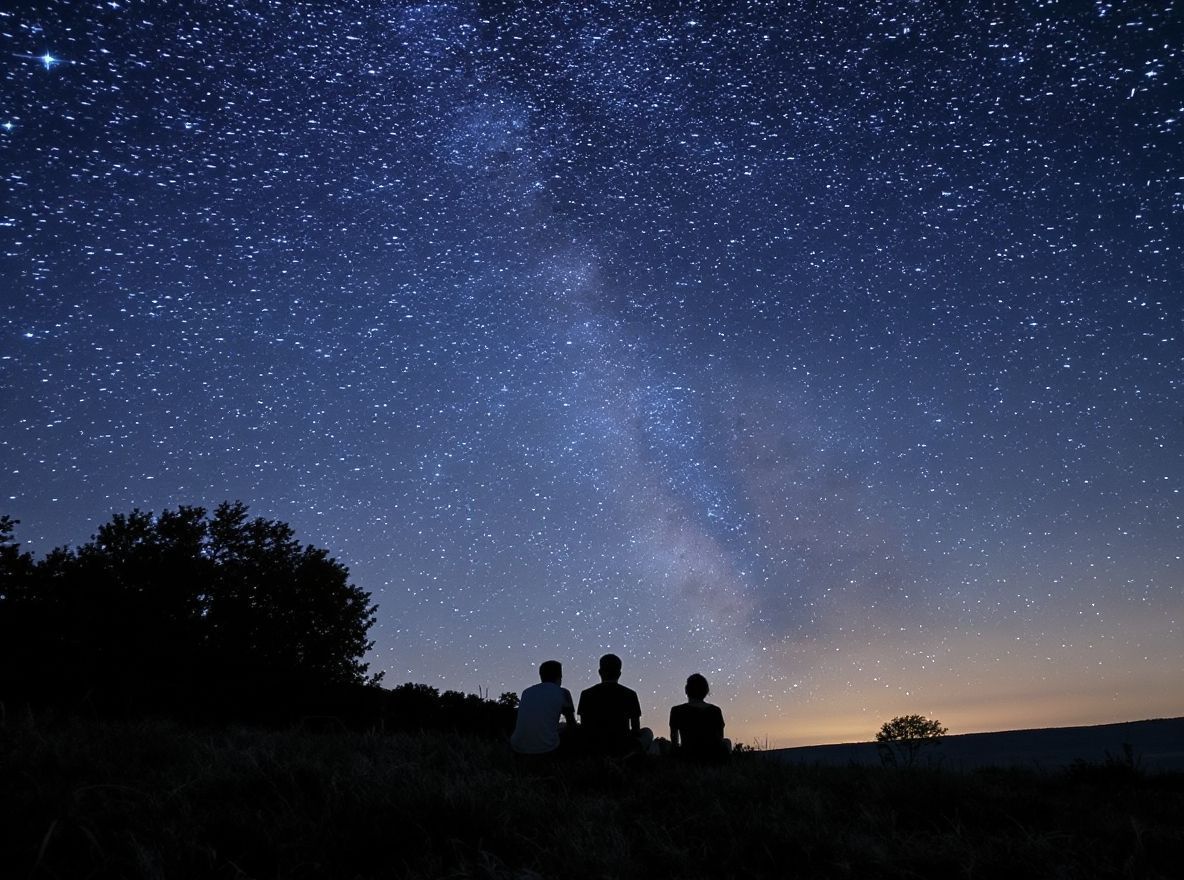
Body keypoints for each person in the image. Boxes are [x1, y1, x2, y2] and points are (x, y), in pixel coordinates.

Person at [577, 653, 654, 757]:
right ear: (619, 673)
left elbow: (584, 726)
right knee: (647, 732)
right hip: (622, 745)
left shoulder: (586, 694)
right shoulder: (630, 694)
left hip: (594, 745)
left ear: (600, 672)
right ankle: (632, 755)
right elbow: (636, 727)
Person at [510, 660, 577, 758]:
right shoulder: (563, 692)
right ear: (560, 676)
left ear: (541, 676)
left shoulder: (527, 692)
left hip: (517, 748)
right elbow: (571, 724)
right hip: (546, 750)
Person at [669, 673, 731, 762]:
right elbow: (720, 738)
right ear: (705, 691)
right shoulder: (715, 710)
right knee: (726, 742)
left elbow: (674, 740)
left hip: (688, 756)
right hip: (712, 756)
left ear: (686, 690)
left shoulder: (676, 710)